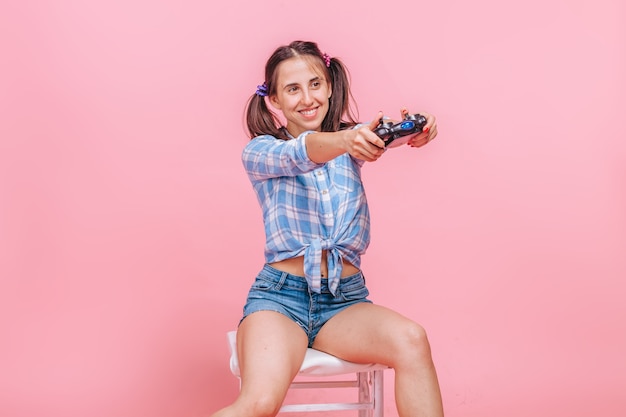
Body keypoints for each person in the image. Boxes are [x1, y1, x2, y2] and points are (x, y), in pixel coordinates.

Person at [211, 40, 443, 417]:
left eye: (315, 84)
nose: (307, 98)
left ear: (330, 86)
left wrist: (419, 128)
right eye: (292, 89)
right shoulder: (261, 152)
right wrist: (347, 140)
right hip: (280, 301)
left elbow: (384, 136)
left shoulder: (351, 142)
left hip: (345, 301)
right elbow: (305, 151)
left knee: (412, 340)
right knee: (259, 402)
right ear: (274, 101)